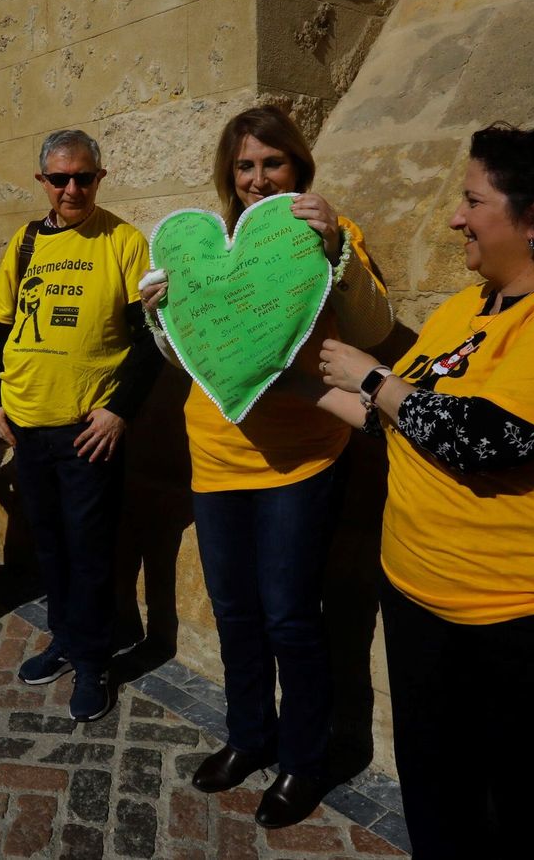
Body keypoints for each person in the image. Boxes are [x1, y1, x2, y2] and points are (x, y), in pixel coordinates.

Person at [315, 123, 534, 858]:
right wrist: (266, 376)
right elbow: (401, 423)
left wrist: (374, 377)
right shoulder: (464, 308)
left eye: (472, 201)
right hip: (425, 610)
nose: (455, 217)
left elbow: (487, 441)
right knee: (441, 810)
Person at [139, 105, 393, 827]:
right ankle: (249, 736)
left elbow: (373, 327)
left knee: (289, 616)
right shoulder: (204, 247)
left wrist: (339, 246)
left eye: (271, 164)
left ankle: (305, 760)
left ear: (297, 167)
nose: (256, 179)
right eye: (245, 166)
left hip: (299, 459)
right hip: (215, 457)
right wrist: (161, 317)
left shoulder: (329, 237)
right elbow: (192, 359)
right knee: (234, 611)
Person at [0, 129, 161, 721]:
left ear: (100, 178)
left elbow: (152, 341)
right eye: (60, 179)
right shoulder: (26, 242)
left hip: (88, 430)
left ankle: (93, 660)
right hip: (27, 424)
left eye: (84, 176)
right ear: (43, 183)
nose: (72, 188)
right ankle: (65, 638)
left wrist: (120, 411)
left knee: (90, 552)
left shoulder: (124, 242)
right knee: (50, 545)